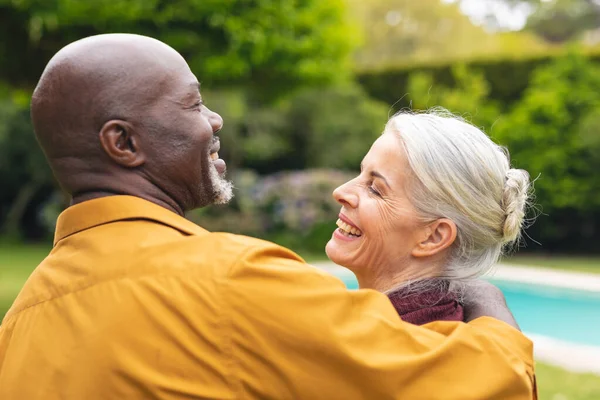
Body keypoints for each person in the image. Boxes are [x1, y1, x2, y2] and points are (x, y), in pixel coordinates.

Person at [0, 34, 536, 399]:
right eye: (191, 105)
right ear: (123, 143)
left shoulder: (19, 324)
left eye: (375, 184)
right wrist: (489, 301)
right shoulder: (227, 283)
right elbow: (484, 383)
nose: (215, 120)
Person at [326, 110, 531, 326]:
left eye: (376, 189)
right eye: (360, 173)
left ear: (433, 236)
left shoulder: (391, 346)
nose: (341, 192)